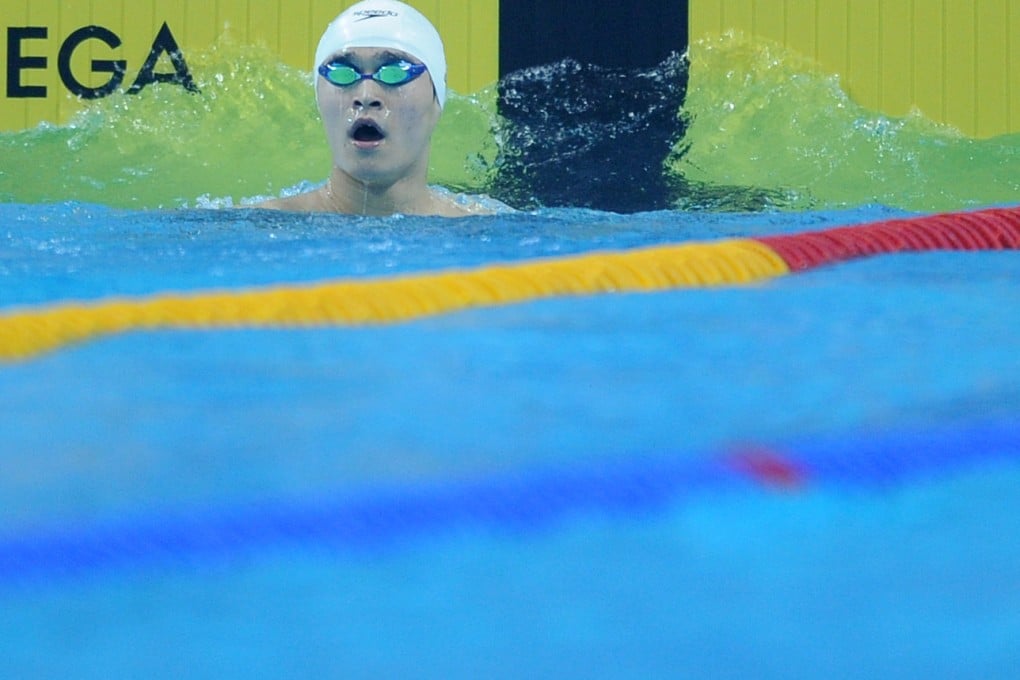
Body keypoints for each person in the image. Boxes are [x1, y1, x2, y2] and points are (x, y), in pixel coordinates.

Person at [259, 0, 489, 216]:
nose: (366, 95)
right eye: (343, 72)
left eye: (394, 72)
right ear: (319, 98)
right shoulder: (263, 224)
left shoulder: (483, 232)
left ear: (437, 97)